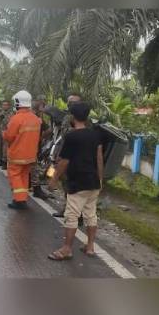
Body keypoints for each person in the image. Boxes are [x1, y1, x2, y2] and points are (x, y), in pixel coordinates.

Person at [47, 102, 103, 260]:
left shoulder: (71, 136)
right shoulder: (95, 134)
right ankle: (90, 247)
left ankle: (66, 249)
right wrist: (100, 179)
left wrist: (54, 179)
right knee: (91, 214)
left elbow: (64, 161)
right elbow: (99, 157)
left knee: (71, 215)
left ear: (72, 117)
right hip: (93, 181)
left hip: (78, 182)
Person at [52, 93, 90, 217]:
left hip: (78, 157)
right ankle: (70, 210)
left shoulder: (82, 120)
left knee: (74, 185)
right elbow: (63, 137)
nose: (70, 104)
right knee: (67, 184)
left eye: (74, 103)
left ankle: (75, 213)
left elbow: (72, 136)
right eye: (69, 102)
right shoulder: (68, 117)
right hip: (67, 154)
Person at [2, 91, 42, 210]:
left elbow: (9, 136)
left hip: (17, 155)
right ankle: (22, 198)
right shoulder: (35, 118)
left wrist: (3, 134)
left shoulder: (16, 118)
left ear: (18, 102)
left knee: (15, 176)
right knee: (24, 176)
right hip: (30, 155)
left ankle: (19, 201)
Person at [31, 95, 52, 200]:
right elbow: (49, 130)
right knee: (34, 167)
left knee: (31, 166)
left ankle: (32, 186)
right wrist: (40, 137)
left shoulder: (34, 116)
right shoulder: (36, 117)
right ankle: (36, 189)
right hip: (32, 146)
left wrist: (40, 137)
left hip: (30, 146)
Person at [0, 100, 13, 169]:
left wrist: (4, 118)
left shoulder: (11, 114)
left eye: (6, 105)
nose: (4, 106)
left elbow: (10, 123)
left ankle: (5, 163)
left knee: (5, 149)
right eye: (3, 105)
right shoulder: (0, 113)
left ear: (9, 106)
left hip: (6, 134)